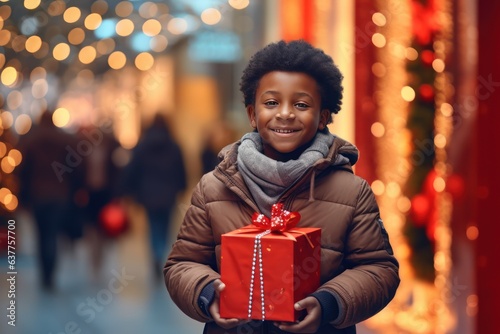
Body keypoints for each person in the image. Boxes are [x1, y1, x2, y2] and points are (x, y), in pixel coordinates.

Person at [164, 40, 400, 333]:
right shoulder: (213, 187)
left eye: (301, 104)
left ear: (323, 117)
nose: (285, 113)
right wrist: (208, 294)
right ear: (252, 114)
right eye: (272, 102)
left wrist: (328, 302)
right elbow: (182, 263)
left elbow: (380, 270)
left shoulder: (352, 192)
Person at [17, 110, 85, 290]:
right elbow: (76, 166)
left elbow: (22, 171)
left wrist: (23, 196)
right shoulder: (63, 140)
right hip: (59, 195)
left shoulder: (31, 140)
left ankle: (45, 275)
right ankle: (50, 275)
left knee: (42, 235)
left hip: (38, 195)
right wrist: (75, 189)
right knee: (52, 234)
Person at [121, 114, 187, 279]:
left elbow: (133, 169)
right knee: (165, 227)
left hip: (148, 194)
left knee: (153, 226)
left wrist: (130, 191)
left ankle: (156, 254)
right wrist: (181, 188)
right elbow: (181, 170)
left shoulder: (143, 146)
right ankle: (161, 253)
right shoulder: (174, 146)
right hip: (168, 194)